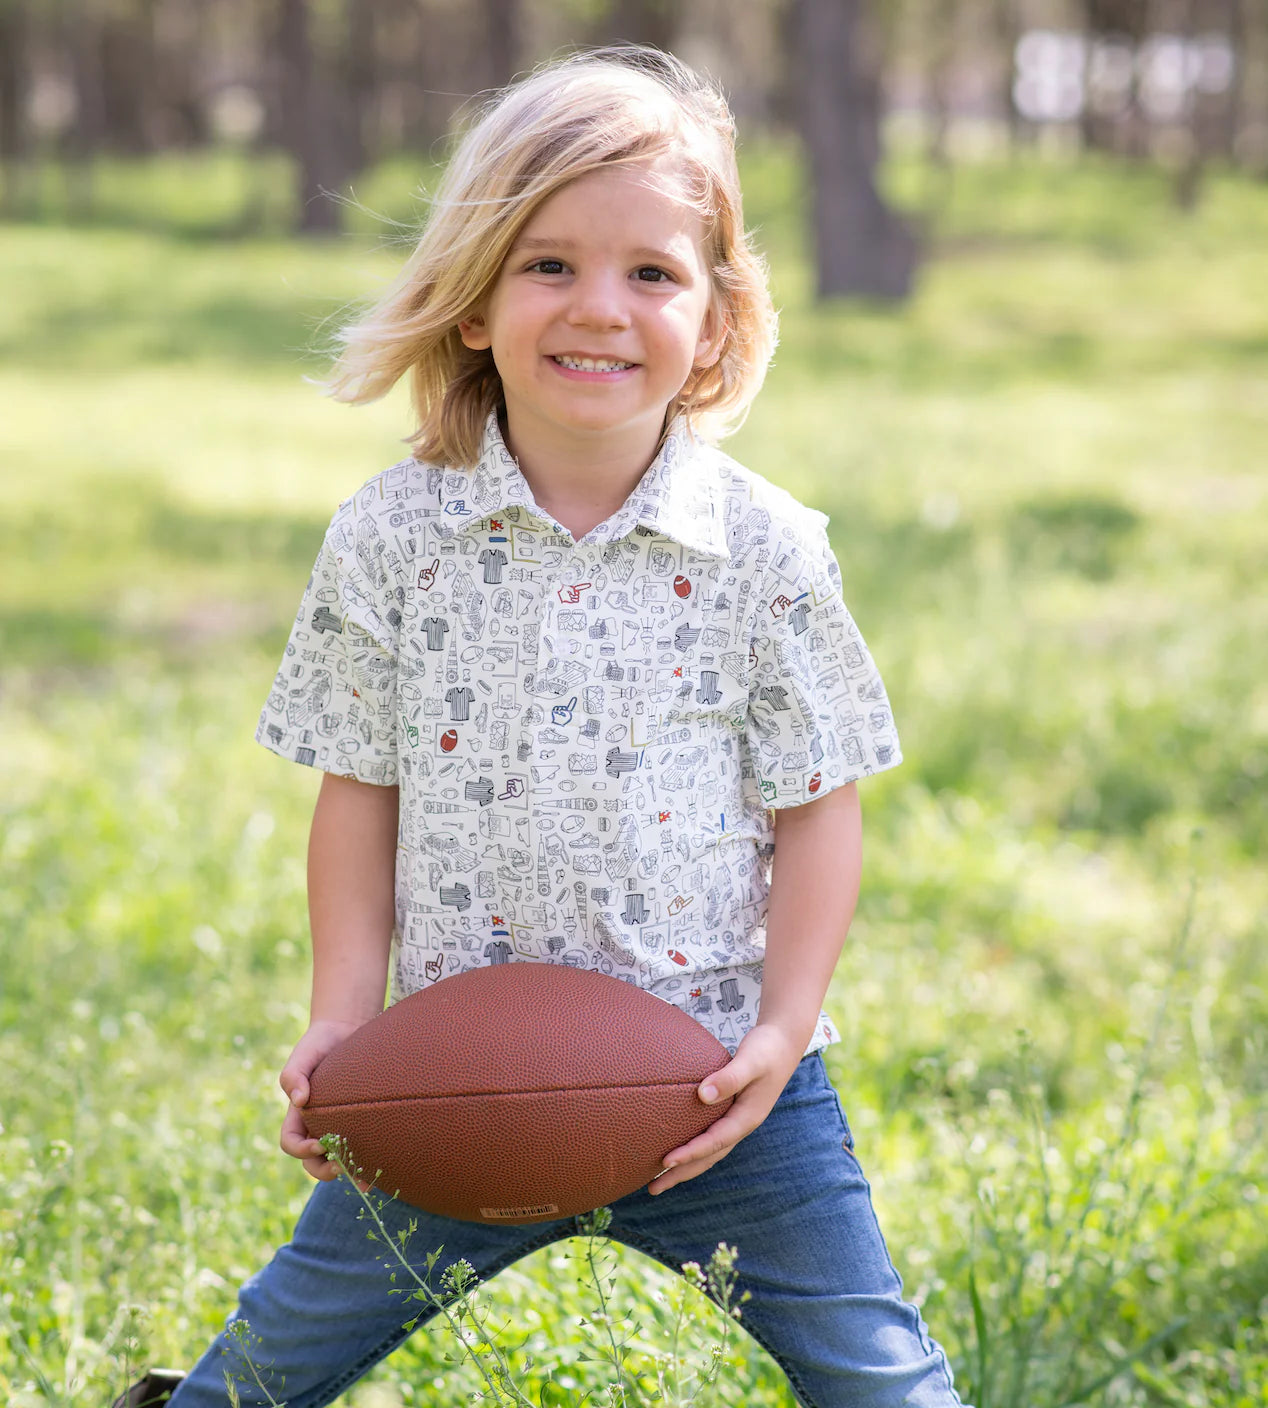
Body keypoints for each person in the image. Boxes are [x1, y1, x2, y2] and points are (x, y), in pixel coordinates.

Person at [128, 45, 967, 1408]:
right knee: (258, 1378)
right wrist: (346, 1019)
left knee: (884, 1387)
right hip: (459, 1086)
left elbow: (820, 802)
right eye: (549, 265)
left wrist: (781, 1029)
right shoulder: (393, 537)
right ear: (473, 302)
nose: (601, 308)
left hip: (719, 1098)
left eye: (652, 273)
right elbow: (360, 792)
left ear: (717, 318)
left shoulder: (764, 549)